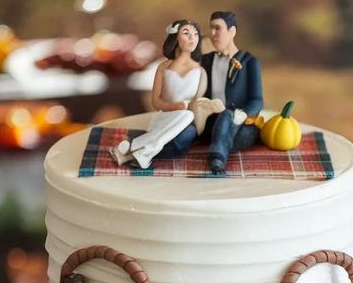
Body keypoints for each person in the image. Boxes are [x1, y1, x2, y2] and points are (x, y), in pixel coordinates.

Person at [164, 10, 263, 174]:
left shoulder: (249, 61)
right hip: (208, 121)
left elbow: (257, 99)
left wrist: (243, 114)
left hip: (237, 125)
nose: (212, 34)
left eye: (218, 28)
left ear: (232, 32)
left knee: (227, 117)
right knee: (187, 130)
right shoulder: (205, 61)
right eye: (211, 28)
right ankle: (158, 150)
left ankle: (217, 159)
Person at [110, 19, 209, 168]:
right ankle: (141, 152)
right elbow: (156, 102)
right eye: (186, 33)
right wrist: (173, 106)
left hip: (186, 121)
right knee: (185, 119)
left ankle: (134, 147)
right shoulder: (163, 67)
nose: (192, 38)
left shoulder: (201, 70)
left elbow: (199, 101)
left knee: (185, 130)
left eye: (195, 34)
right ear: (175, 37)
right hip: (166, 118)